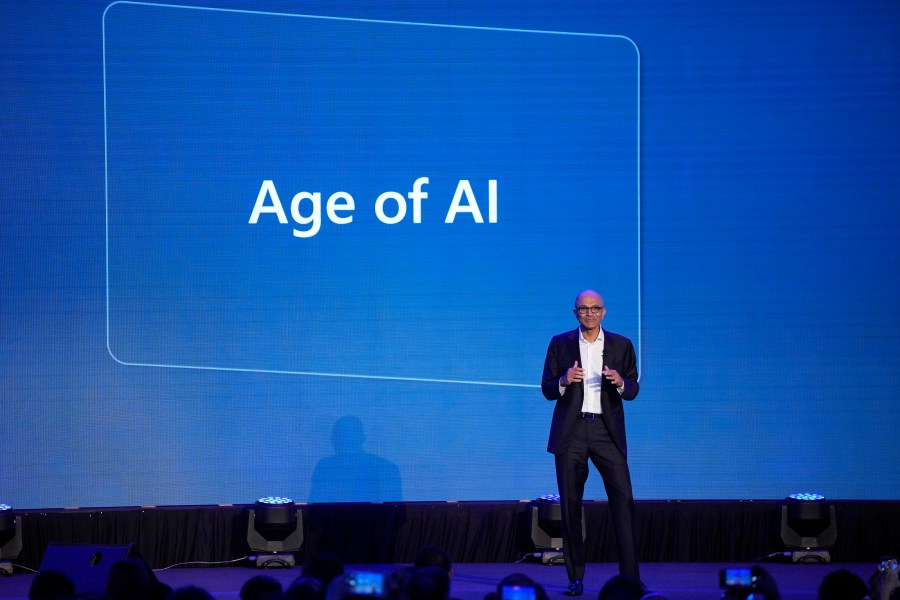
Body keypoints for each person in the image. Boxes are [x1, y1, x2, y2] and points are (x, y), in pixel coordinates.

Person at [541, 290, 642, 596]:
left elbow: (634, 388)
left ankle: (630, 580)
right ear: (575, 313)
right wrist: (563, 379)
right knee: (570, 506)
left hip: (605, 432)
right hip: (571, 432)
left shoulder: (621, 345)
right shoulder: (560, 343)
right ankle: (575, 578)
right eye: (583, 309)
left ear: (603, 312)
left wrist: (621, 382)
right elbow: (546, 388)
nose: (589, 313)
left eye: (594, 308)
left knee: (623, 501)